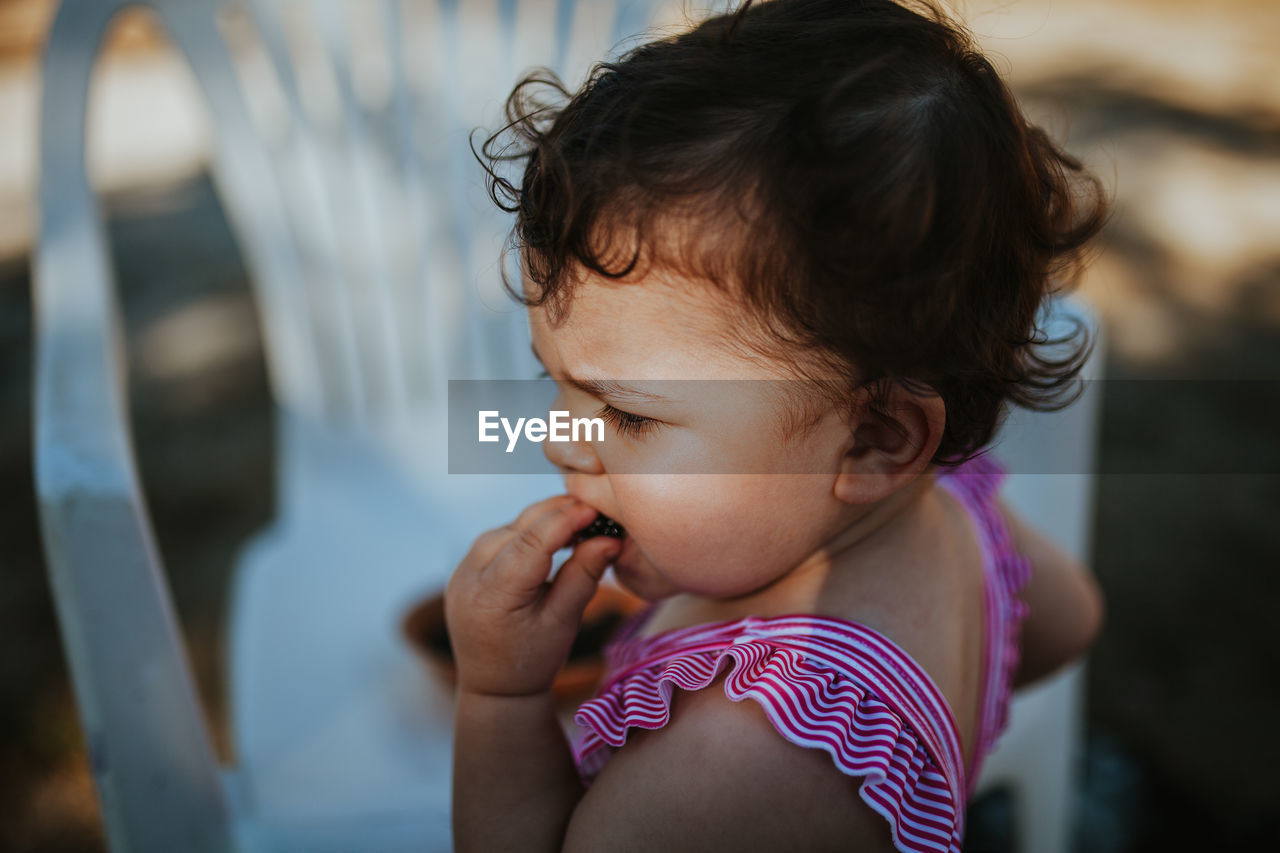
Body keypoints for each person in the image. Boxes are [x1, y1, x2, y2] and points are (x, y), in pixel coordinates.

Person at [445, 0, 1108, 849]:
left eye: (628, 412)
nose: (557, 438)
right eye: (558, 383)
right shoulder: (955, 504)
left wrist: (499, 699)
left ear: (875, 440)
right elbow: (1066, 622)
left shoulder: (734, 764)